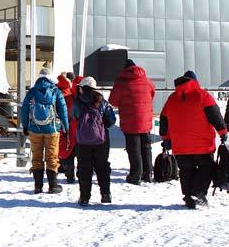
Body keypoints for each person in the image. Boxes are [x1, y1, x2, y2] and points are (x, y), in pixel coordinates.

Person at [159, 71, 228, 209]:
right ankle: (199, 192)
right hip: (202, 144)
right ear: (195, 82)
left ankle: (189, 198)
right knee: (206, 167)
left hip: (180, 146)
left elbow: (164, 120)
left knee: (185, 170)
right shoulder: (202, 95)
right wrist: (223, 132)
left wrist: (166, 138)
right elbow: (215, 116)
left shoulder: (171, 99)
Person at [20, 67, 70, 194]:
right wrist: (66, 127)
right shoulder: (55, 91)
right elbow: (63, 111)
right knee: (52, 156)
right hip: (52, 129)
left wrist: (25, 126)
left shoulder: (32, 92)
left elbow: (25, 110)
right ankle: (53, 186)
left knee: (36, 156)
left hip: (34, 129)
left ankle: (38, 186)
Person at [109, 59, 156, 184]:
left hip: (130, 121)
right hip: (145, 119)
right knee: (146, 147)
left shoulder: (121, 82)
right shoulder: (147, 81)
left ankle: (136, 175)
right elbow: (152, 93)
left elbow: (113, 101)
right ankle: (148, 173)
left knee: (134, 148)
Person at [72, 77, 117, 205]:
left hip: (82, 141)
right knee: (102, 167)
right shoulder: (102, 101)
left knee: (84, 168)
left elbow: (74, 116)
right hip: (101, 140)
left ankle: (84, 197)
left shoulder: (78, 102)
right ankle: (105, 194)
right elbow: (111, 121)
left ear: (82, 87)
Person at [57, 72, 78, 183]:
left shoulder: (56, 89)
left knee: (63, 148)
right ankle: (71, 173)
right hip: (71, 124)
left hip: (58, 124)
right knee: (71, 149)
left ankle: (64, 169)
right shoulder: (71, 93)